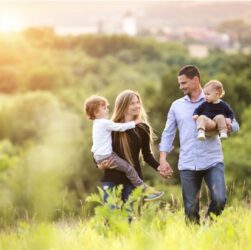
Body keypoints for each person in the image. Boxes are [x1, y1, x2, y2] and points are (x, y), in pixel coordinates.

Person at [159, 65, 239, 224]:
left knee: (219, 199)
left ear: (196, 80)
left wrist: (228, 126)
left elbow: (235, 125)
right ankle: (194, 241)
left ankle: (207, 229)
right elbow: (168, 132)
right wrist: (162, 159)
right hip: (188, 163)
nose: (180, 87)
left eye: (183, 83)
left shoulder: (216, 101)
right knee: (190, 209)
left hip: (212, 160)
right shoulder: (177, 105)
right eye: (180, 83)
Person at [84, 94, 164, 202]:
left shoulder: (142, 128)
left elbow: (147, 155)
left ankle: (145, 191)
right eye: (132, 103)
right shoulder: (111, 126)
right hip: (112, 179)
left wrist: (160, 168)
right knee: (111, 215)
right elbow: (98, 149)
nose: (137, 106)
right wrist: (100, 165)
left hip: (131, 182)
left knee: (129, 216)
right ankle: (145, 190)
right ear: (123, 106)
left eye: (137, 102)